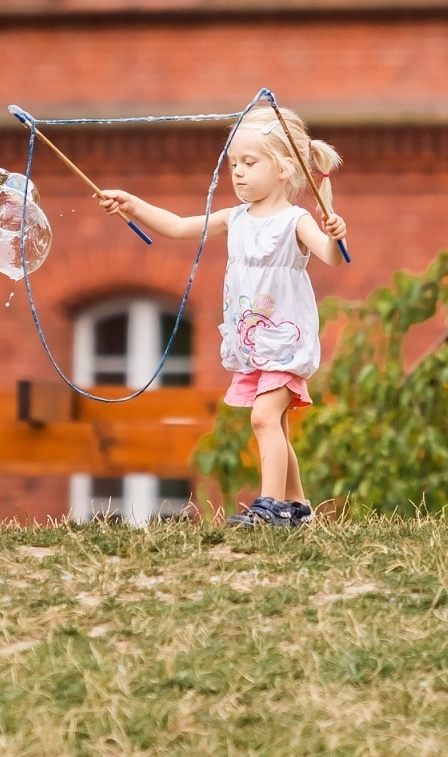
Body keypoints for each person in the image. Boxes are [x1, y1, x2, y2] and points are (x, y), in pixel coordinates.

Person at [96, 105, 348, 528]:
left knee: (264, 417)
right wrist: (134, 206)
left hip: (284, 341)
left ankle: (270, 507)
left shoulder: (295, 220)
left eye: (250, 163)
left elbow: (330, 257)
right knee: (278, 427)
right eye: (234, 164)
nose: (238, 172)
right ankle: (298, 508)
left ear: (285, 168)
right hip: (253, 345)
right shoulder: (235, 218)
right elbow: (177, 226)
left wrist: (336, 236)